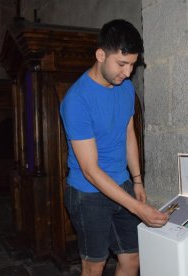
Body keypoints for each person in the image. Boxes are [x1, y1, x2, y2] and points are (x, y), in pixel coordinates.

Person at [60, 19, 169, 276]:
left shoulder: (126, 88)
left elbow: (128, 133)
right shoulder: (77, 100)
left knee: (132, 260)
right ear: (100, 55)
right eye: (122, 64)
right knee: (94, 267)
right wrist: (137, 207)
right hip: (87, 194)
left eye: (133, 64)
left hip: (122, 184)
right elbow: (90, 170)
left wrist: (137, 181)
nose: (128, 72)